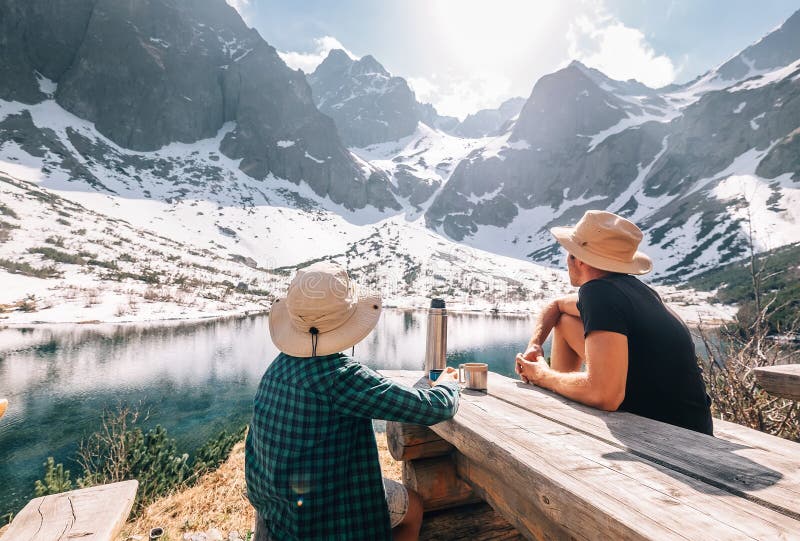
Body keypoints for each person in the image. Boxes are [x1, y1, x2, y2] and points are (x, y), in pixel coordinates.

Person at [246, 262, 461, 541]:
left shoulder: (279, 365)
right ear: (346, 322)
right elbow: (432, 407)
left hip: (277, 505)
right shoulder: (340, 376)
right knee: (414, 507)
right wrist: (449, 384)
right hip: (323, 516)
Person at [514, 210, 714, 435]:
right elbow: (557, 306)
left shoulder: (598, 293)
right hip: (693, 424)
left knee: (591, 387)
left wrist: (541, 375)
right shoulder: (633, 291)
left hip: (668, 435)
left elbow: (605, 396)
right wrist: (535, 345)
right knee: (565, 319)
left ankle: (557, 393)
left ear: (578, 259)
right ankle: (561, 401)